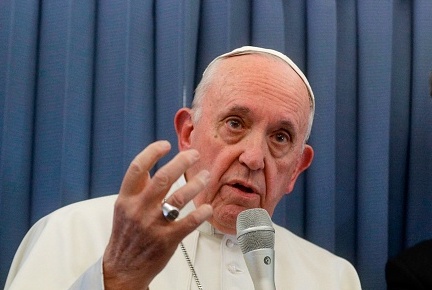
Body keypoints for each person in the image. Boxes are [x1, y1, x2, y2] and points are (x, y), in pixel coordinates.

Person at [5, 46, 362, 289]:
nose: (253, 158)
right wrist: (116, 279)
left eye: (280, 137)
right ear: (188, 133)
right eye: (235, 123)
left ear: (297, 169)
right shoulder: (74, 232)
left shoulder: (333, 277)